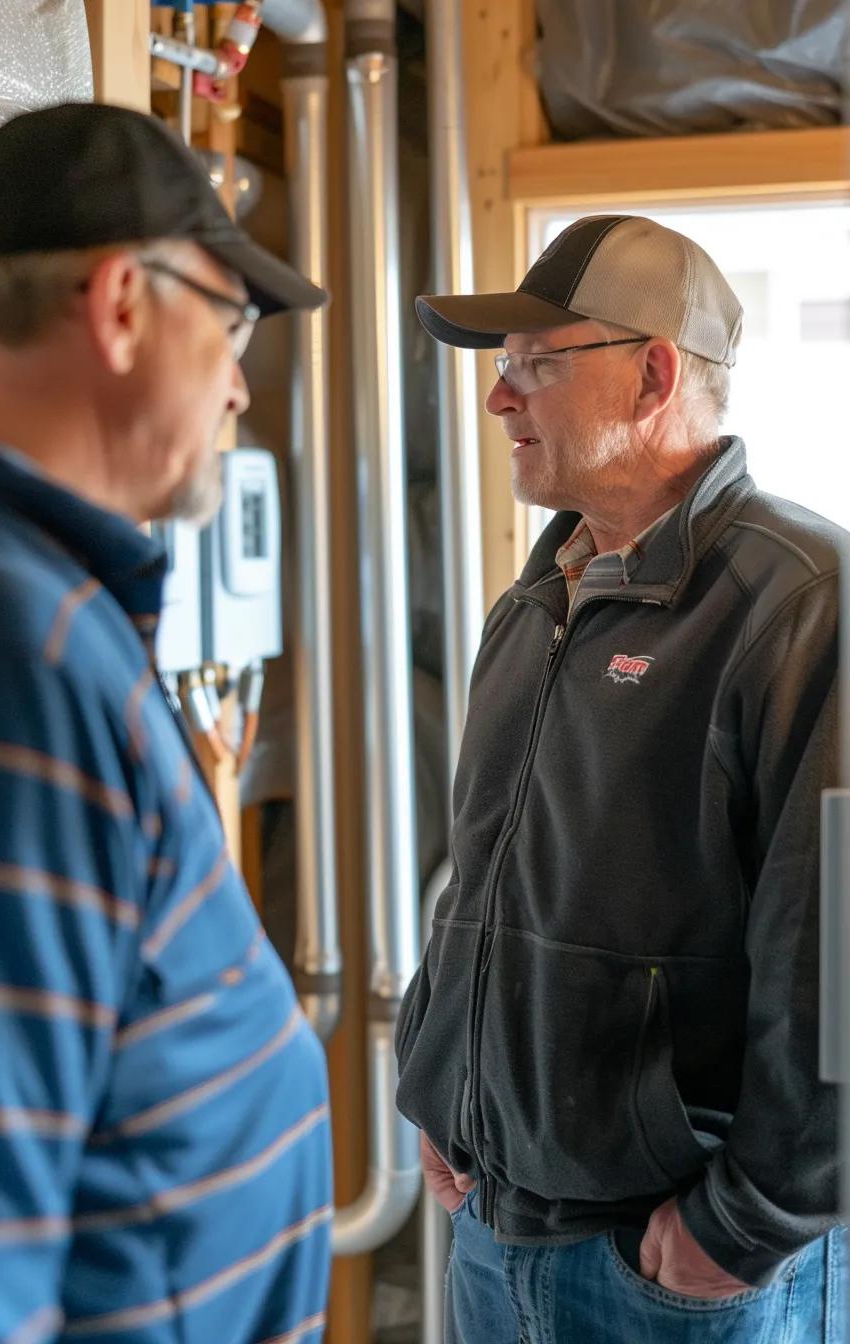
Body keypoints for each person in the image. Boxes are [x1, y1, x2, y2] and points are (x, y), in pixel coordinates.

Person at [396, 213, 848, 1342]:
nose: (500, 399)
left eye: (535, 365)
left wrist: (748, 1223)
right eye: (503, 370)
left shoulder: (800, 601)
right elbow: (481, 880)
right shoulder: (541, 593)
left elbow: (835, 955)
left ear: (652, 373)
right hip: (492, 1231)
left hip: (674, 1266)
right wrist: (441, 1082)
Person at [0, 103, 331, 1344]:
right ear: (120, 301)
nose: (235, 384)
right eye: (227, 323)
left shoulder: (44, 603)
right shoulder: (8, 651)